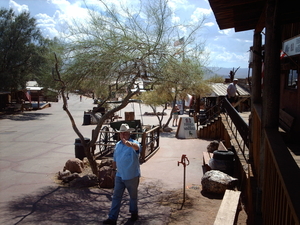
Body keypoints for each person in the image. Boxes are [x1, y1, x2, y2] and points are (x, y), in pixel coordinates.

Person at [103, 123, 141, 225]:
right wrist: (113, 170)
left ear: (129, 133)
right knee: (116, 196)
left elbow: (137, 148)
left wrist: (130, 144)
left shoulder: (134, 144)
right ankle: (112, 218)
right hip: (119, 175)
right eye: (121, 133)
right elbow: (115, 159)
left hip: (131, 175)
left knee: (133, 196)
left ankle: (134, 213)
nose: (123, 135)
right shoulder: (118, 145)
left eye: (125, 133)